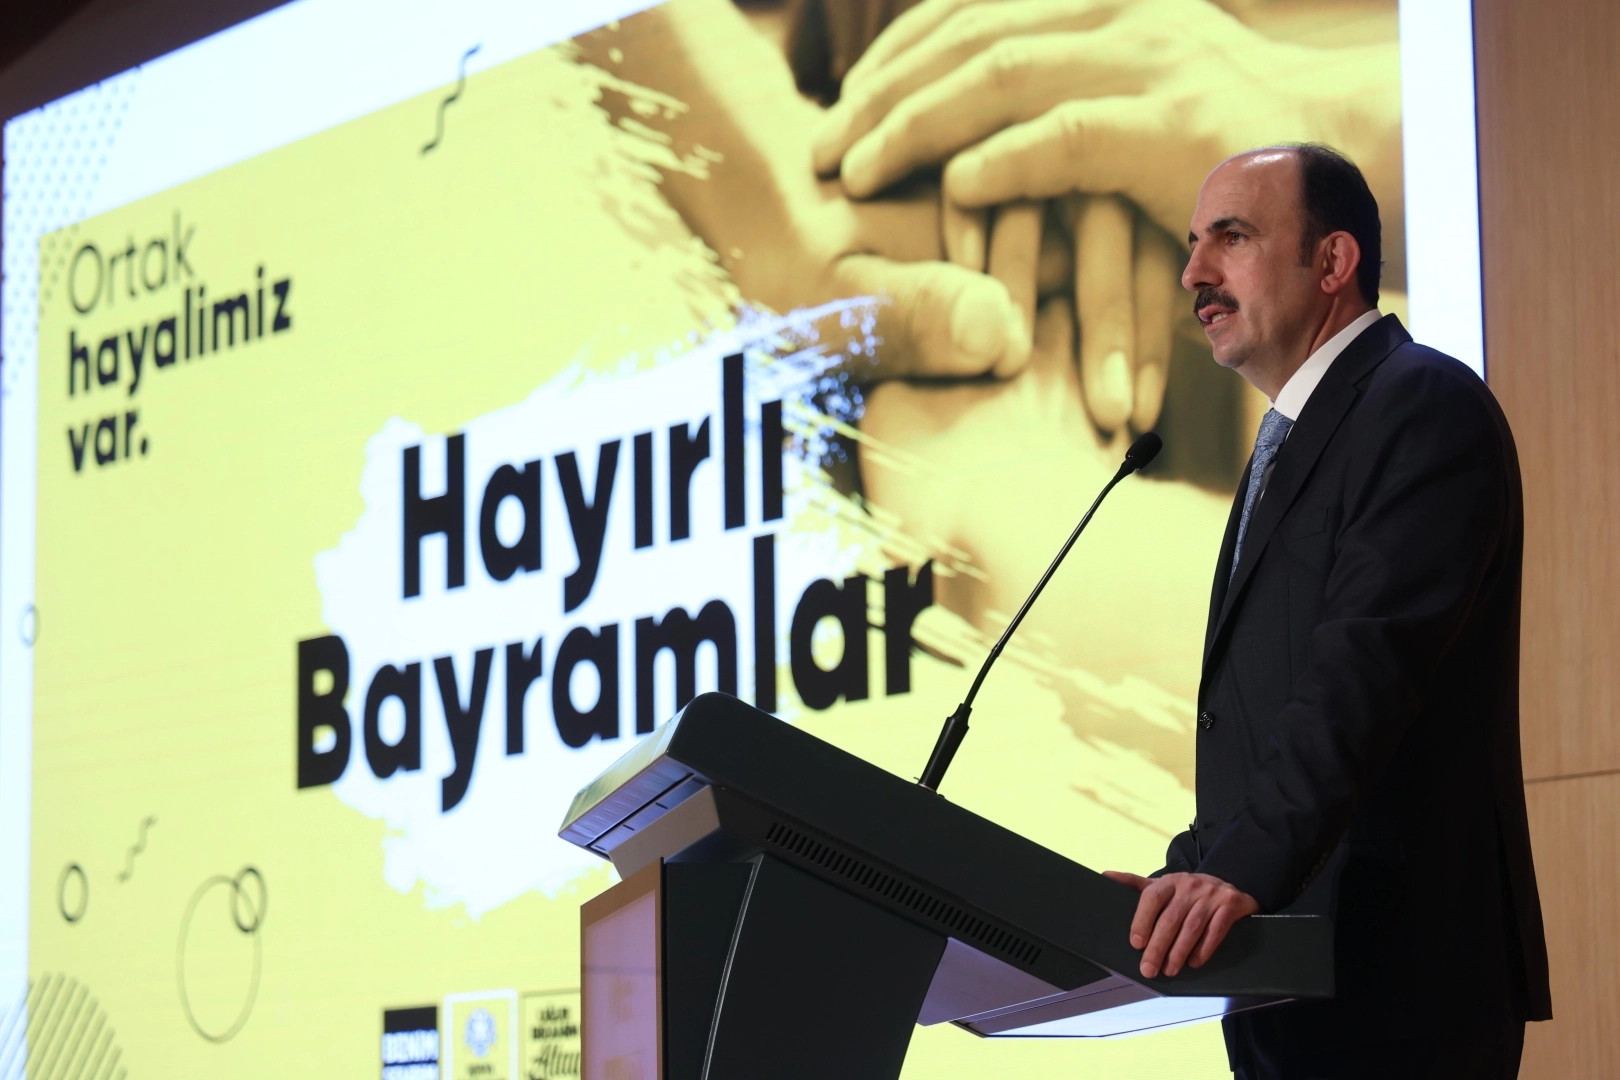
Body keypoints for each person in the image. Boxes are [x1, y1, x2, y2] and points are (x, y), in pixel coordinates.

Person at [1101, 145, 1551, 1078]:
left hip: (1397, 987)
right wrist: (1190, 874)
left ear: (1333, 261)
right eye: (1193, 243)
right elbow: (1270, 713)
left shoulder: (1420, 403)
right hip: (1289, 984)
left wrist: (1241, 872)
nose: (1193, 273)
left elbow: (1362, 675)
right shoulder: (1292, 442)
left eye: (1231, 237)